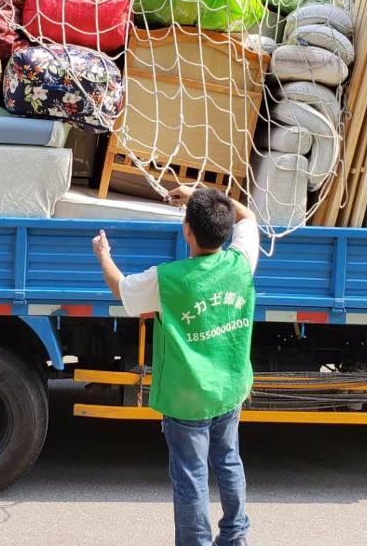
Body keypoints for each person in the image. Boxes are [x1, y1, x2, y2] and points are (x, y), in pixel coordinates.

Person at [91, 185, 258, 546]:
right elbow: (249, 218)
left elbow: (121, 289)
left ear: (186, 230)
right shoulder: (241, 262)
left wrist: (103, 254)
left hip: (186, 399)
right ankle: (235, 537)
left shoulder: (167, 280)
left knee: (192, 477)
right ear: (225, 229)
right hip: (228, 390)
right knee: (229, 462)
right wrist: (201, 195)